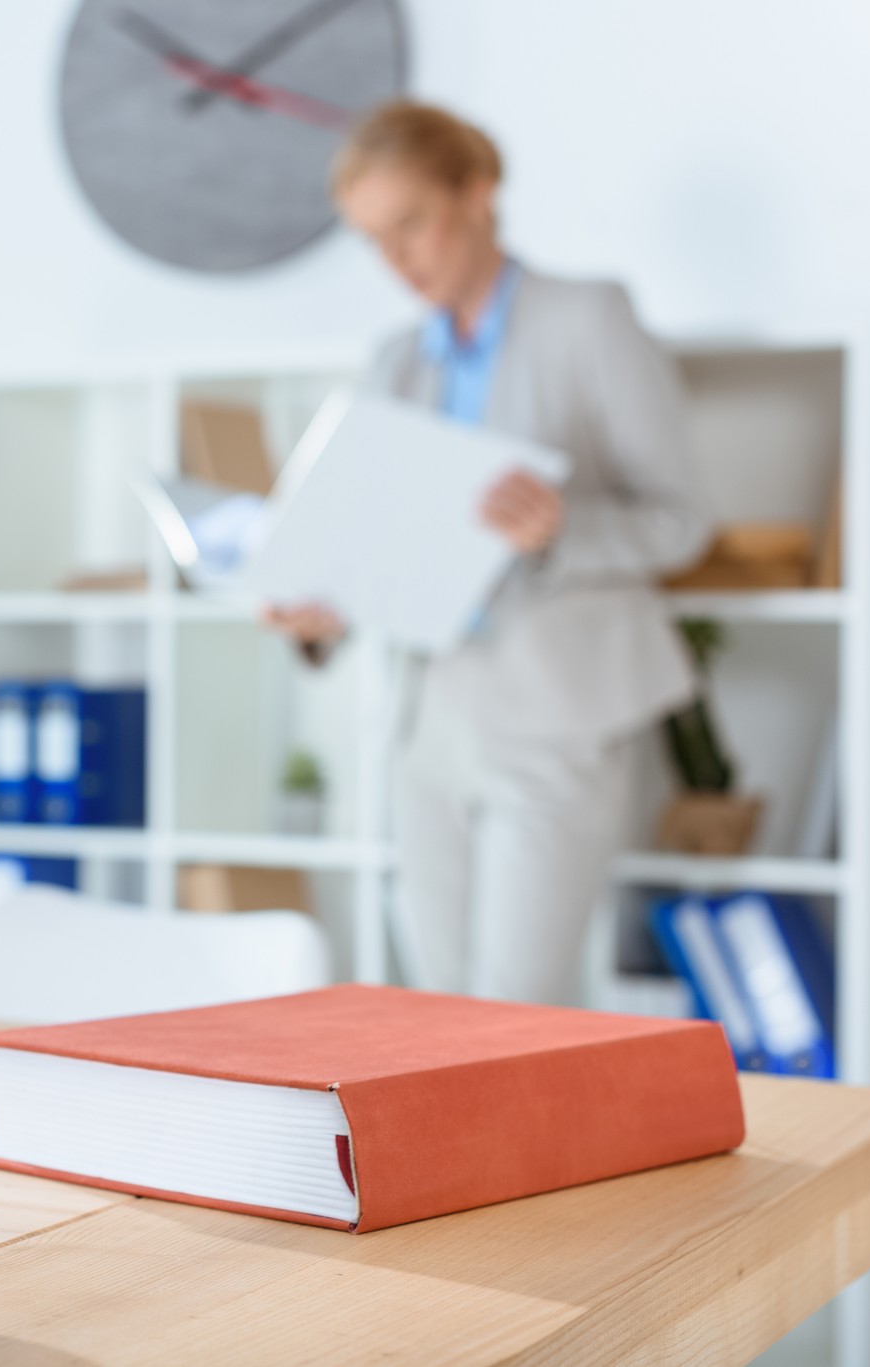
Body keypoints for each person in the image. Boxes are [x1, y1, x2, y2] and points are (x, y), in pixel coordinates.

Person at [261, 101, 711, 1006]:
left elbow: (682, 519)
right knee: (439, 1002)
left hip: (554, 709)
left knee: (513, 1006)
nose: (398, 260)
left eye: (410, 224)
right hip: (429, 719)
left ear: (477, 193)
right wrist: (321, 614)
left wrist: (559, 530)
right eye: (374, 240)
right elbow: (380, 543)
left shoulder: (587, 318)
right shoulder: (396, 359)